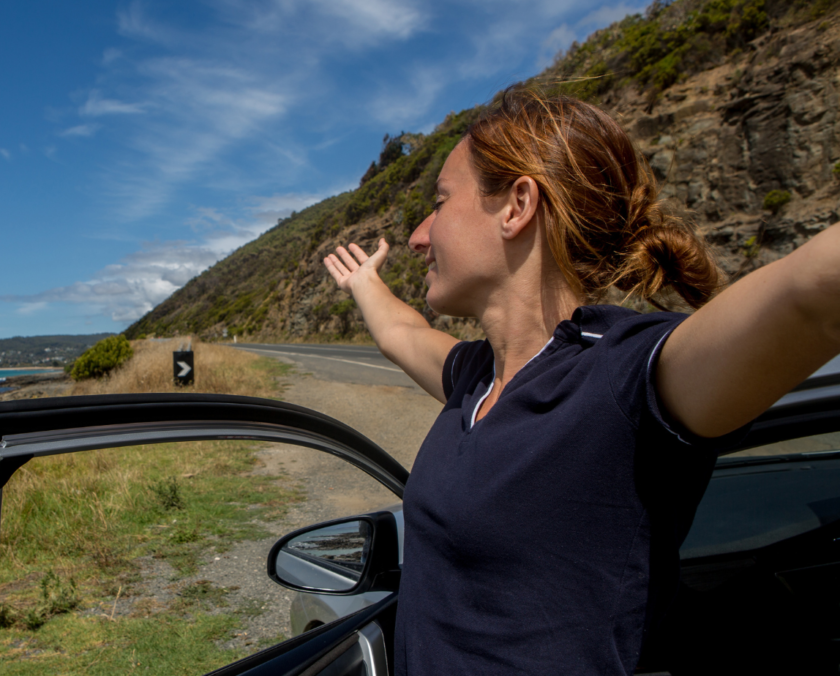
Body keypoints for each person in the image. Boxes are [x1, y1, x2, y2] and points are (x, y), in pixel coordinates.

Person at [323, 86, 840, 675]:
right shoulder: (474, 377)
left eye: (440, 202)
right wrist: (365, 283)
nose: (419, 235)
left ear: (517, 206)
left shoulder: (625, 378)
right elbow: (401, 335)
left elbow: (813, 296)